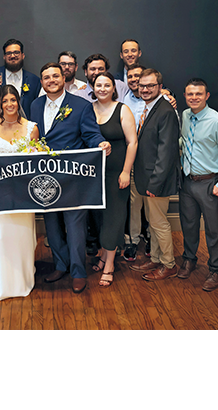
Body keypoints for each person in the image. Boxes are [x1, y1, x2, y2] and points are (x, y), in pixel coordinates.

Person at [30, 62, 111, 294]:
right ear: (42, 82)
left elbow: (91, 133)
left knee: (75, 226)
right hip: (45, 176)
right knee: (52, 225)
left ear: (63, 77)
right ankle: (60, 264)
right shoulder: (35, 105)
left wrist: (100, 143)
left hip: (73, 176)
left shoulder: (81, 105)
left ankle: (78, 271)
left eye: (55, 76)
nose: (51, 80)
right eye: (46, 77)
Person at [0, 85, 40, 300]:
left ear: (18, 102)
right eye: (5, 101)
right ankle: (2, 280)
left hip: (24, 195)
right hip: (0, 195)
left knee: (22, 237)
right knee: (1, 237)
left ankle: (23, 279)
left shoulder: (31, 128)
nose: (10, 104)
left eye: (13, 100)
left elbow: (38, 163)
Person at [178, 78, 218, 292]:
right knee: (189, 224)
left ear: (207, 96)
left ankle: (215, 269)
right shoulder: (185, 115)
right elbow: (185, 142)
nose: (194, 98)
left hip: (210, 182)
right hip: (187, 181)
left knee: (213, 230)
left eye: (198, 94)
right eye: (190, 94)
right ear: (185, 96)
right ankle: (189, 259)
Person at [128, 69, 181, 280]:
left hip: (157, 181)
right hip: (147, 178)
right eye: (142, 86)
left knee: (159, 223)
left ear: (160, 87)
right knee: (153, 222)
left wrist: (155, 183)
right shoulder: (150, 108)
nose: (145, 89)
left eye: (150, 85)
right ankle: (156, 259)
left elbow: (166, 153)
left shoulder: (166, 111)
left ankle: (169, 264)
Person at [91, 73, 137, 286]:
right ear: (93, 86)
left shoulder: (122, 109)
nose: (102, 88)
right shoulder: (88, 109)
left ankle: (109, 264)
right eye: (98, 85)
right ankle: (103, 254)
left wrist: (126, 171)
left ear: (113, 88)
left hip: (116, 173)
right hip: (93, 174)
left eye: (106, 85)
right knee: (99, 217)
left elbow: (132, 142)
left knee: (113, 217)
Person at [122, 64, 151, 261]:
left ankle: (151, 239)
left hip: (152, 161)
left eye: (137, 76)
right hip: (131, 158)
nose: (134, 79)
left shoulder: (163, 100)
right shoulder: (125, 99)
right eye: (130, 76)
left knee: (152, 203)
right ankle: (132, 240)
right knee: (133, 204)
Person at [0, 38, 42, 118]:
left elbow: (38, 107)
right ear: (4, 56)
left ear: (23, 55)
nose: (12, 56)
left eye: (16, 52)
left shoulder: (34, 80)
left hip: (24, 126)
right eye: (9, 53)